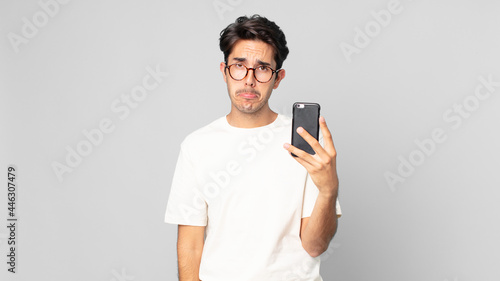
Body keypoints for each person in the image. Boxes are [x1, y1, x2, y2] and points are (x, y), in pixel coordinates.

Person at [164, 14, 342, 281]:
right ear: (224, 72)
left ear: (278, 78)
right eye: (239, 65)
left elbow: (315, 246)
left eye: (262, 68)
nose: (249, 79)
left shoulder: (304, 142)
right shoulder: (197, 146)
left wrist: (329, 190)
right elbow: (190, 246)